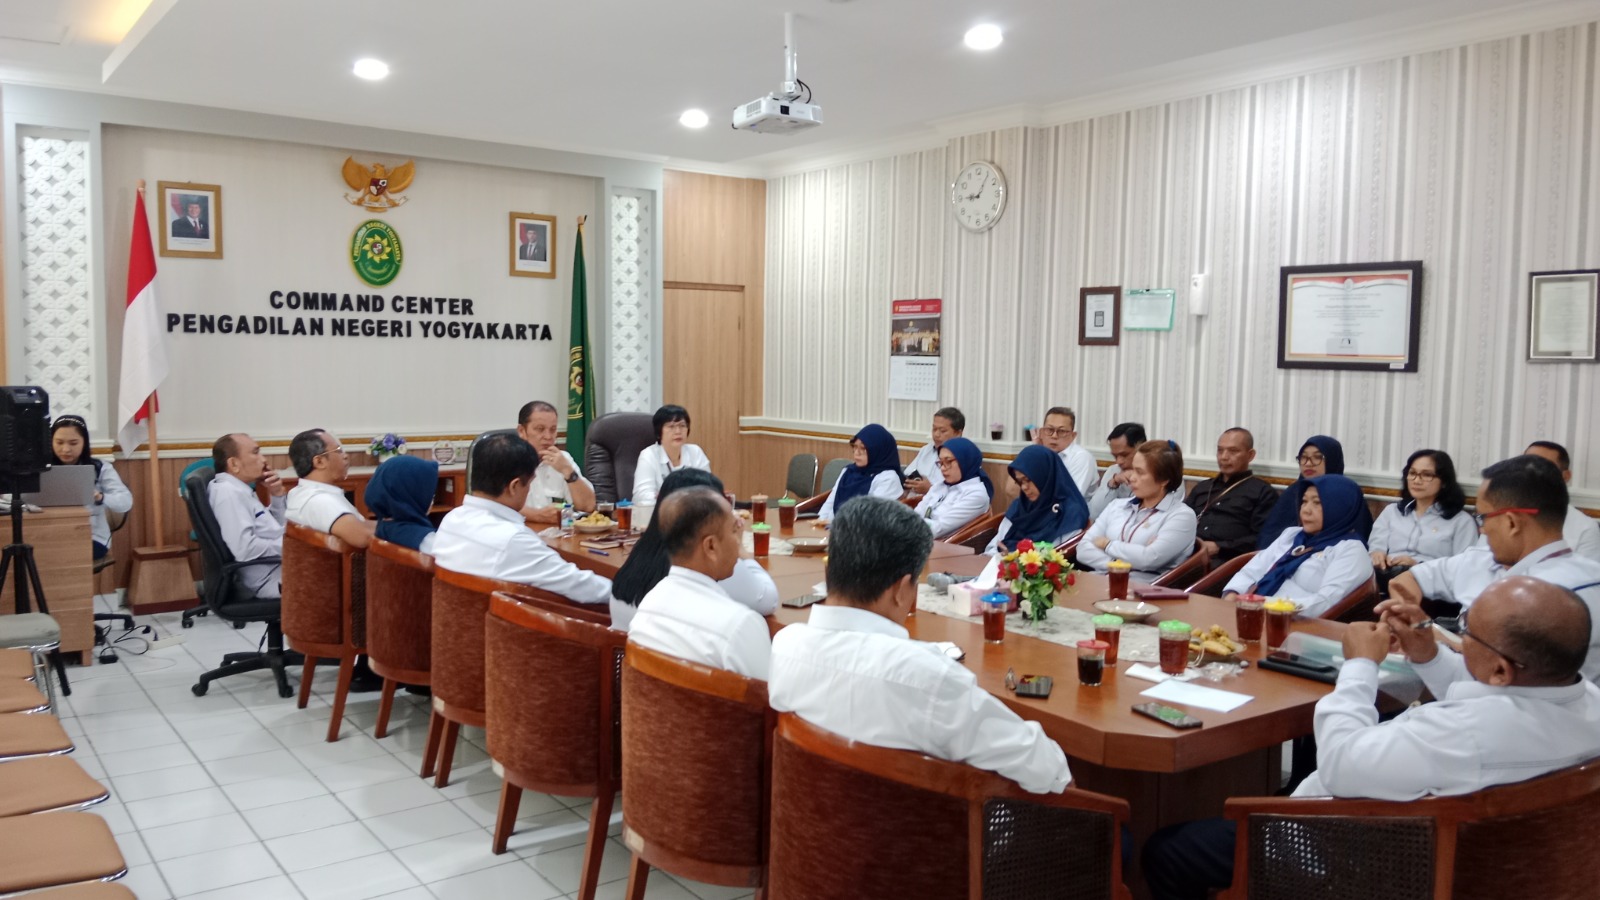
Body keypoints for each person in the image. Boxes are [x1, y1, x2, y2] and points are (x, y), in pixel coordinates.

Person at [1142, 576, 1600, 900]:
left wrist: (1361, 665)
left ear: (1500, 668)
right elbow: (1487, 699)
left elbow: (1342, 763)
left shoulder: (1457, 737)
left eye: (1465, 632)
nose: (1457, 638)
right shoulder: (1582, 701)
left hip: (1354, 859)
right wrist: (1428, 652)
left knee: (1171, 850)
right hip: (1488, 859)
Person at [770, 496, 1072, 794]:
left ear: (829, 571)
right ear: (902, 590)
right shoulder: (927, 678)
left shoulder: (785, 646)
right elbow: (1048, 770)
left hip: (808, 833)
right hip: (922, 841)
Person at [1388, 455, 1600, 677]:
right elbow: (1407, 580)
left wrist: (1433, 640)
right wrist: (1406, 617)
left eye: (1483, 518)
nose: (1482, 530)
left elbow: (1500, 676)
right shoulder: (1483, 560)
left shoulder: (1567, 595)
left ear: (1511, 522)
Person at [432, 432, 612, 606]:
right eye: (530, 483)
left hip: (464, 627)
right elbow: (581, 587)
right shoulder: (513, 541)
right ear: (514, 486)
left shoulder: (450, 520)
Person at [626, 487, 772, 679]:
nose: (738, 542)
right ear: (711, 546)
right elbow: (772, 703)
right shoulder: (740, 625)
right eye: (734, 531)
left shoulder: (647, 606)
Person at [611, 468, 780, 630]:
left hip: (630, 656)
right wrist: (740, 549)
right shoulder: (705, 562)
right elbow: (767, 600)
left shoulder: (639, 554)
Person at [1222, 474, 1371, 617]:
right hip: (1251, 613)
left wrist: (1261, 604)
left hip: (1296, 628)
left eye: (1317, 503)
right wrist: (1232, 594)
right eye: (1304, 501)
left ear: (1340, 507)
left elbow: (1324, 603)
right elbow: (1252, 571)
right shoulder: (1292, 535)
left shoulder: (1351, 550)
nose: (1305, 510)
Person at [1076, 441, 1198, 579]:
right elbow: (1083, 549)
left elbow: (1149, 559)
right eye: (1133, 470)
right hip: (1101, 579)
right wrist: (1117, 565)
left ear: (1164, 479)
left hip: (1144, 591)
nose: (1132, 478)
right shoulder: (1117, 506)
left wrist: (1107, 544)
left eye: (1140, 472)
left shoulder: (1181, 516)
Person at [1368, 449, 1476, 588]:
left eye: (1426, 475)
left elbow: (1462, 567)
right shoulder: (1392, 512)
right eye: (1412, 473)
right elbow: (1376, 546)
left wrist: (1418, 566)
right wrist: (1378, 555)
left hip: (1432, 587)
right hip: (1386, 579)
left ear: (1444, 482)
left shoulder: (1461, 521)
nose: (1417, 480)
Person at [1257, 435, 1373, 548]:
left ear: (1332, 460)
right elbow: (1268, 537)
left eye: (1317, 457)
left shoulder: (1347, 495)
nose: (1308, 463)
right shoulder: (1293, 491)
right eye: (1303, 457)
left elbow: (1360, 536)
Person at [208, 433, 287, 599]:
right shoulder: (228, 493)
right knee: (341, 579)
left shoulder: (239, 489)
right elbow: (244, 549)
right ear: (234, 464)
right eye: (256, 452)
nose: (263, 459)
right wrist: (289, 548)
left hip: (278, 567)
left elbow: (273, 529)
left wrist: (277, 495)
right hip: (270, 578)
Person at [1184, 427, 1278, 563]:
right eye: (1220, 450)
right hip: (1187, 554)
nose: (1224, 457)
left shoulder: (1263, 492)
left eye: (1233, 451)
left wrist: (1219, 547)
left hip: (1227, 562)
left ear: (1250, 455)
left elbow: (1262, 538)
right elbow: (1181, 518)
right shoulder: (1203, 487)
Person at [48, 416, 132, 562]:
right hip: (50, 533)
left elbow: (125, 502)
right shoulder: (41, 469)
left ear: (84, 442)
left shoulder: (100, 468)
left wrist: (100, 497)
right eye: (59, 442)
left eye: (73, 443)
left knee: (61, 555)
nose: (66, 449)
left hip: (92, 536)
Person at [985, 444, 1089, 555]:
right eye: (1020, 482)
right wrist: (1000, 556)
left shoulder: (1069, 512)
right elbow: (994, 546)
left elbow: (1058, 556)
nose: (1024, 487)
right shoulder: (1020, 506)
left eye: (1028, 480)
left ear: (1045, 475)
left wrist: (1013, 558)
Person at [284, 430, 374, 549]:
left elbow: (361, 524)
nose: (345, 456)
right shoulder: (320, 501)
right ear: (319, 462)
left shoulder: (300, 492)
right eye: (338, 451)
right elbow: (362, 537)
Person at [516, 399, 595, 524]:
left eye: (553, 430)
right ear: (522, 431)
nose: (548, 436)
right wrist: (537, 515)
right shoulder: (506, 459)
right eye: (540, 429)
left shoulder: (563, 459)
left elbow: (588, 506)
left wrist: (568, 471)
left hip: (560, 536)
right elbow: (496, 505)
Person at [1524, 441, 1600, 561]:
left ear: (1565, 476)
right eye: (1524, 466)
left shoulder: (1585, 528)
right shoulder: (1500, 515)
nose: (1531, 474)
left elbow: (1585, 576)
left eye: (1542, 467)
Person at [817, 424, 905, 523]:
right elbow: (830, 503)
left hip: (862, 534)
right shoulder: (848, 471)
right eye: (855, 447)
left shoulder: (888, 478)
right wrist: (819, 522)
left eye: (863, 448)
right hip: (831, 528)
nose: (857, 453)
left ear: (877, 451)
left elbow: (868, 517)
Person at [912, 436, 993, 539]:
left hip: (943, 547)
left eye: (948, 462)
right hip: (917, 538)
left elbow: (938, 529)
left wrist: (909, 527)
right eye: (940, 462)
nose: (942, 468)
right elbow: (915, 515)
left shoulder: (976, 494)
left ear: (965, 461)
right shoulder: (939, 486)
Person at [632, 404, 711, 506]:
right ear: (659, 432)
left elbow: (709, 489)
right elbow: (642, 497)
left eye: (682, 426)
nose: (678, 431)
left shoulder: (695, 452)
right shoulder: (648, 455)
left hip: (692, 514)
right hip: (659, 516)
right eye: (671, 426)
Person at [364, 455, 439, 554]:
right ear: (411, 495)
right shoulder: (427, 541)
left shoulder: (384, 527)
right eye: (428, 492)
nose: (432, 497)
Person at [1035, 407, 1099, 501]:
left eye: (1061, 431)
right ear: (1042, 432)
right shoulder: (1039, 454)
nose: (1054, 436)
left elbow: (1070, 498)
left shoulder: (1082, 458)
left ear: (1073, 436)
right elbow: (1013, 490)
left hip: (1073, 513)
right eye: (1049, 430)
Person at [1087, 422, 1146, 519]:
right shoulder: (1113, 471)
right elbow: (1094, 514)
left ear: (1142, 448)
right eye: (1115, 456)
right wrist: (1113, 483)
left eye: (1124, 455)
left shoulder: (1162, 476)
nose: (1119, 461)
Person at [903, 407, 964, 495]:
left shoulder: (965, 458)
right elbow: (908, 474)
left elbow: (960, 496)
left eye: (942, 431)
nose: (936, 434)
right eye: (934, 429)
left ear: (958, 433)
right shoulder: (926, 449)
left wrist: (930, 489)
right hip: (914, 504)